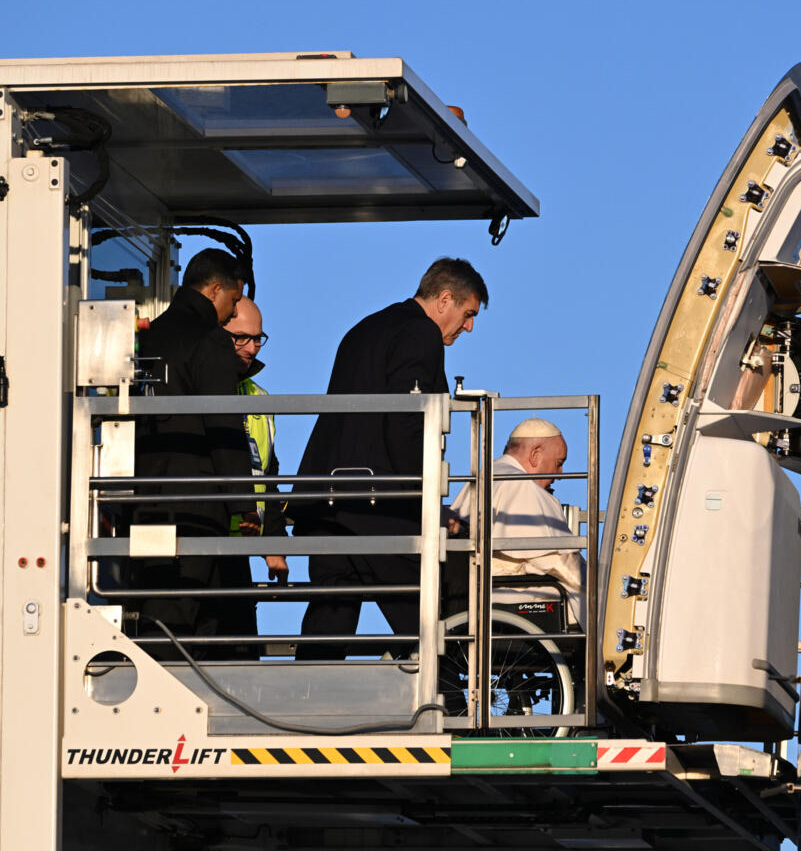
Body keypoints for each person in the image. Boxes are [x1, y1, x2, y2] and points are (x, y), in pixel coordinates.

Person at [293, 257, 488, 658]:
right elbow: (406, 423)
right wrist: (429, 501)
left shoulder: (365, 328)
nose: (469, 326)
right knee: (427, 620)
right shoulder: (421, 334)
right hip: (375, 504)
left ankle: (304, 707)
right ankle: (448, 706)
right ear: (445, 299)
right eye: (467, 314)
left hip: (327, 499)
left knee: (330, 619)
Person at [133, 247, 258, 647]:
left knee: (158, 613)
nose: (231, 310)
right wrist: (243, 504)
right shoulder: (210, 340)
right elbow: (222, 424)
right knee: (199, 619)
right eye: (234, 300)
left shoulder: (148, 337)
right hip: (198, 503)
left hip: (144, 497)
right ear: (216, 291)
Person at [449, 418, 586, 627]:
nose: (560, 475)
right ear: (535, 455)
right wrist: (598, 584)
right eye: (559, 463)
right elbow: (558, 561)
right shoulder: (521, 486)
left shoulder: (484, 477)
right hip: (512, 595)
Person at [219, 295, 289, 636]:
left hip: (240, 551)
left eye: (258, 338)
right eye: (241, 337)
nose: (253, 347)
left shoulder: (260, 399)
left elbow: (269, 477)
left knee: (241, 654)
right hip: (201, 541)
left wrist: (274, 544)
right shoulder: (200, 389)